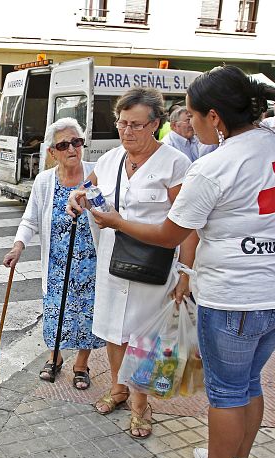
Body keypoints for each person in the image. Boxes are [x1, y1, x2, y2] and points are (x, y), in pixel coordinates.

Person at [76, 66, 275, 458]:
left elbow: (171, 235)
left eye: (190, 115)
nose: (186, 125)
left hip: (237, 298)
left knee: (227, 393)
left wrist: (114, 222)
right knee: (248, 383)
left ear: (215, 117)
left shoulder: (212, 166)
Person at [70, 87, 194, 439]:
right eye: (122, 123)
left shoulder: (175, 163)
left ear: (155, 124)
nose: (127, 131)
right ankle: (118, 388)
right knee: (114, 331)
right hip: (112, 261)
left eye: (136, 125)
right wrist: (77, 197)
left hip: (153, 265)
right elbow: (86, 188)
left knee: (143, 337)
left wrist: (186, 273)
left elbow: (187, 225)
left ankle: (141, 404)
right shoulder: (110, 160)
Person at [3, 118, 105, 389]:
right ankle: (55, 358)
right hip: (57, 263)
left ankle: (81, 364)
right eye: (63, 144)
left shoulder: (97, 174)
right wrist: (18, 246)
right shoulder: (45, 181)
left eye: (77, 142)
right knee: (55, 313)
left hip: (91, 263)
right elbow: (30, 220)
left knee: (88, 315)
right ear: (52, 152)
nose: (72, 148)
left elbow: (108, 212)